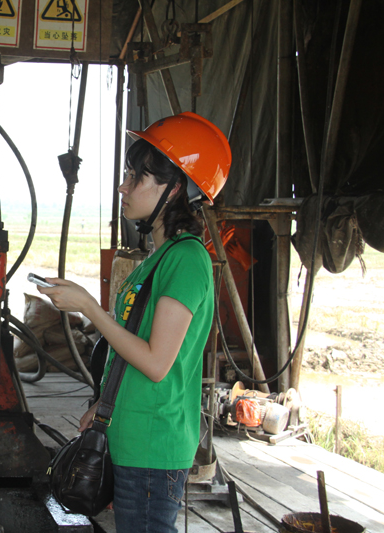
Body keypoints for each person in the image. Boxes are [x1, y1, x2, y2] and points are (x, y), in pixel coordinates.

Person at [37, 112, 231, 533]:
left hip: (153, 444)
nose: (123, 187)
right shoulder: (159, 258)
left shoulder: (186, 259)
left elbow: (156, 362)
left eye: (136, 177)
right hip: (132, 434)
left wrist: (90, 308)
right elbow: (132, 349)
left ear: (174, 189)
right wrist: (105, 407)